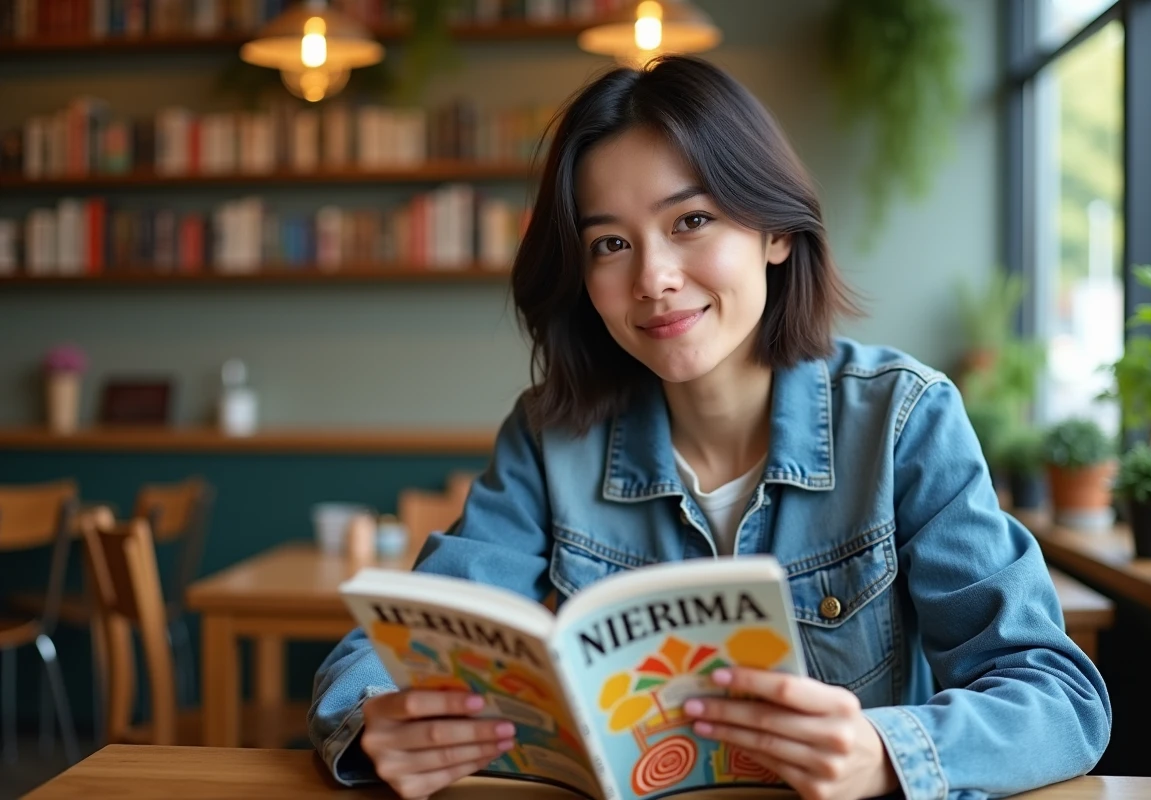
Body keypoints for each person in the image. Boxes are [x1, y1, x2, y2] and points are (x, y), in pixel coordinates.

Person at [309, 56, 1110, 800]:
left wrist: (882, 751)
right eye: (611, 243)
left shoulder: (903, 420)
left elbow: (1058, 697)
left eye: (690, 221)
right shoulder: (553, 436)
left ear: (775, 232)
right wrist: (380, 718)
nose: (653, 279)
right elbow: (391, 643)